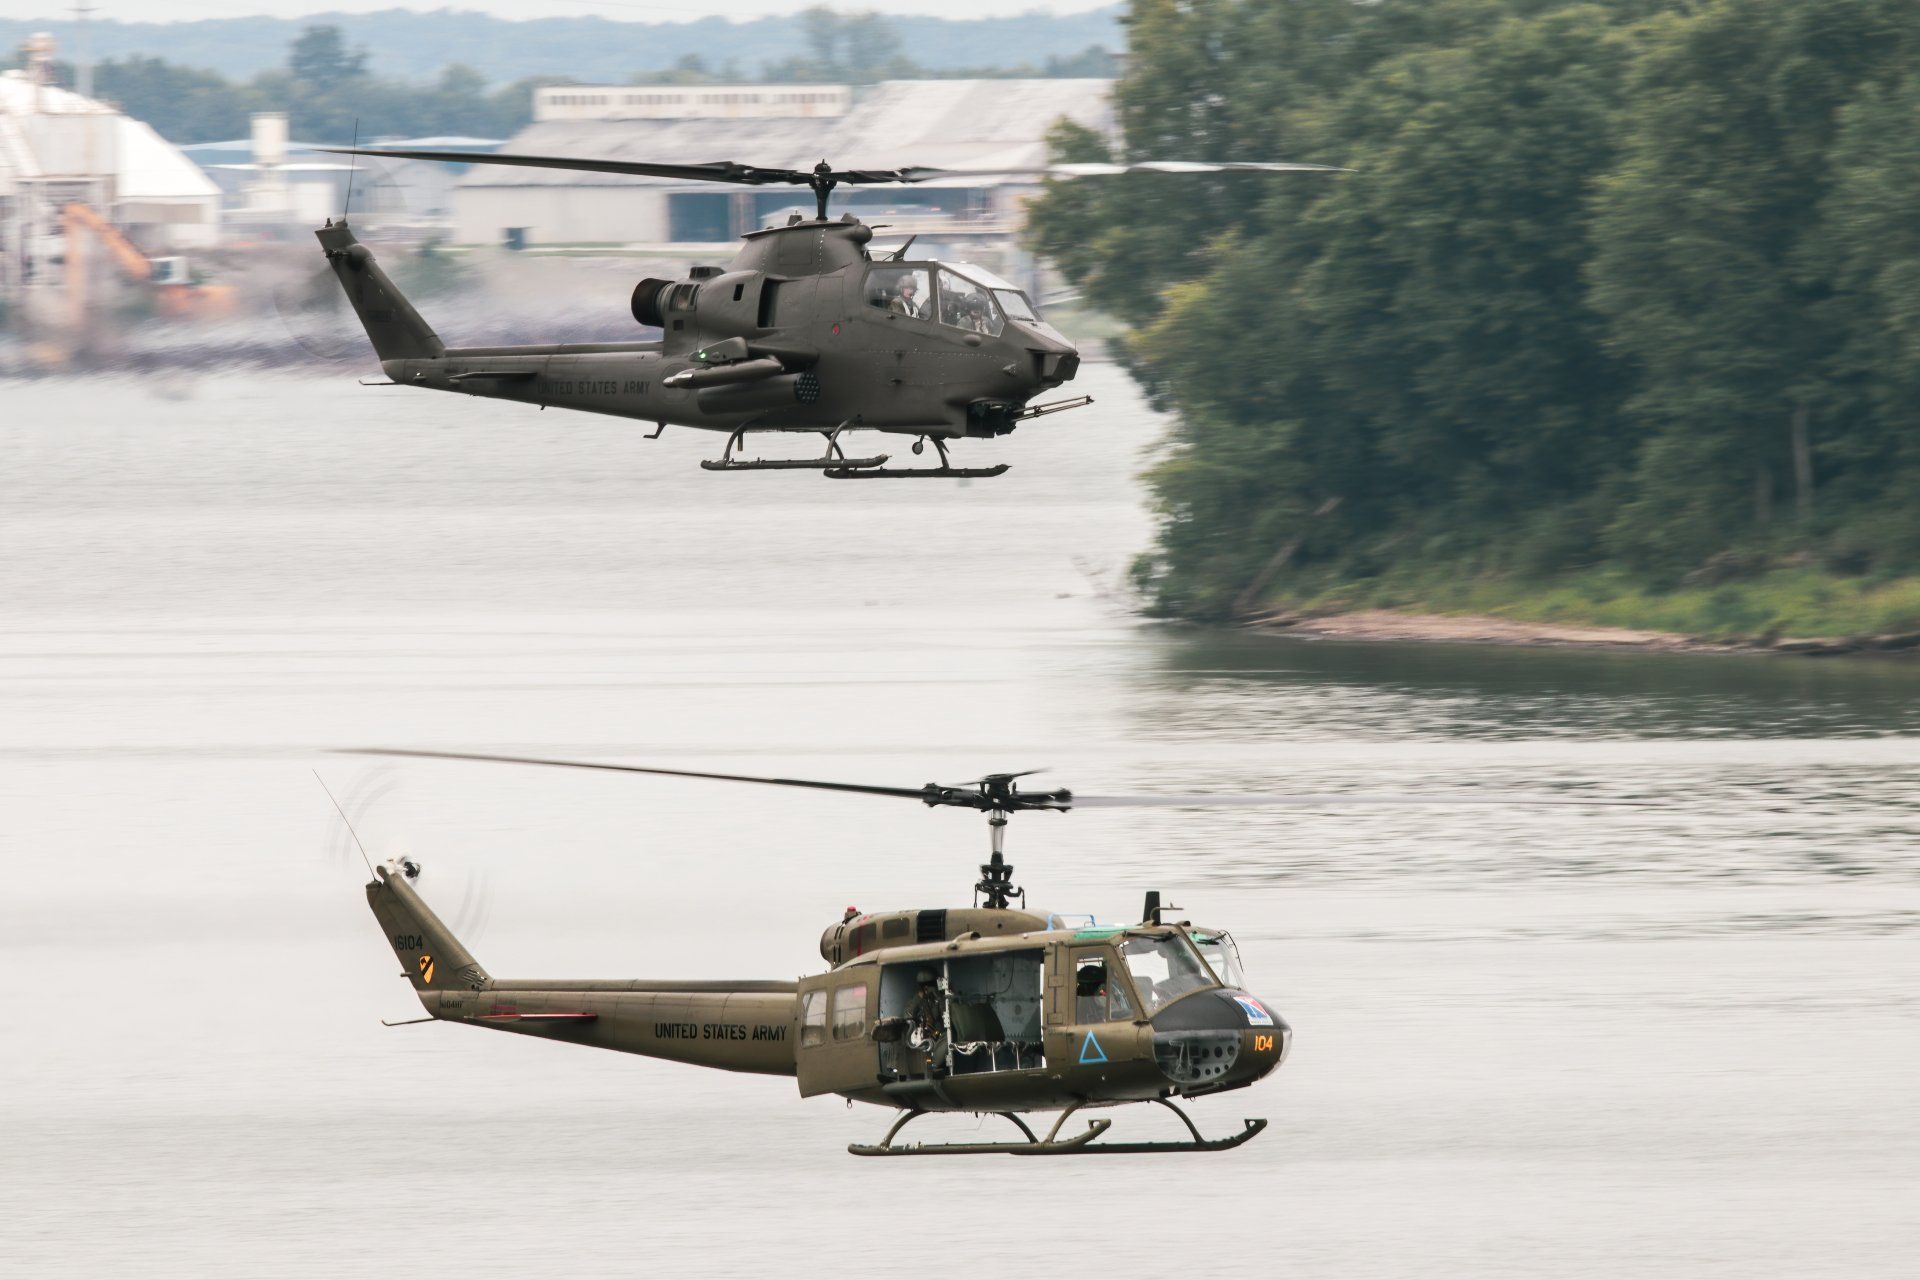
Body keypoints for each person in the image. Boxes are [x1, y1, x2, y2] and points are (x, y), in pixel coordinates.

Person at [904, 969, 947, 1075]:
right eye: (925, 986)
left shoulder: (937, 1000)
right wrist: (918, 998)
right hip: (923, 1037)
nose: (928, 988)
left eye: (930, 985)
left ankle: (937, 1065)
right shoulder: (917, 1000)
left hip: (938, 1036)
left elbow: (945, 1013)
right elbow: (907, 1015)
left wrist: (938, 996)